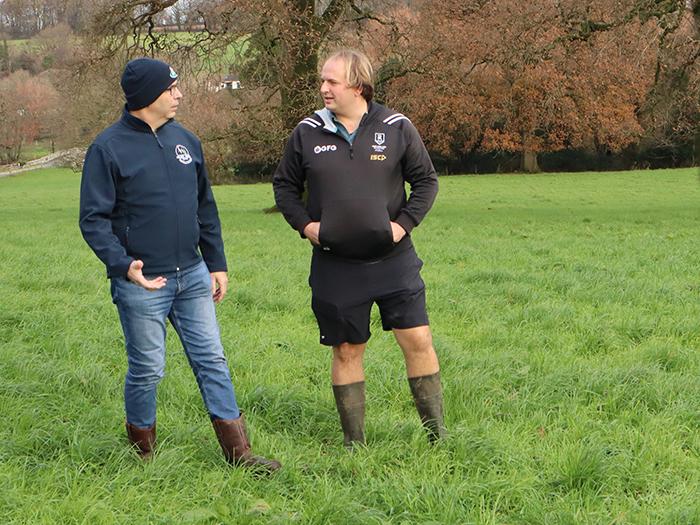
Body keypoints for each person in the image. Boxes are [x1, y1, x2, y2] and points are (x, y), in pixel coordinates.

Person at [79, 57, 280, 471]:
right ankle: (143, 455)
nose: (179, 94)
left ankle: (240, 455)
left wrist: (216, 263)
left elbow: (205, 206)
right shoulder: (108, 148)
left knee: (212, 360)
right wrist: (123, 265)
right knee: (148, 368)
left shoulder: (186, 140)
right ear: (147, 95)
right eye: (171, 88)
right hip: (142, 282)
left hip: (191, 275)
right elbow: (93, 220)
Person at [273, 49, 445, 448]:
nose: (323, 88)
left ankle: (438, 436)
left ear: (358, 85)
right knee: (347, 350)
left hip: (393, 261)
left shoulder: (396, 127)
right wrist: (305, 225)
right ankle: (354, 443)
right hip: (336, 266)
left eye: (332, 81)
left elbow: (426, 182)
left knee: (418, 340)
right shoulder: (306, 132)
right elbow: (284, 186)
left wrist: (402, 227)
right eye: (322, 80)